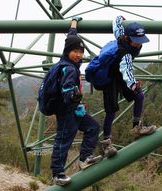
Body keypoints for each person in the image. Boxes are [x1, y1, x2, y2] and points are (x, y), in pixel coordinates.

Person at [51, 17, 102, 186]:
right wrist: (73, 97)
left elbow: (70, 38)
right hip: (67, 111)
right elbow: (66, 90)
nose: (79, 55)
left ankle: (85, 158)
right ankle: (57, 173)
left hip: (74, 109)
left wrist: (73, 24)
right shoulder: (69, 69)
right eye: (75, 52)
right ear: (68, 51)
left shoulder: (67, 61)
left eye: (81, 52)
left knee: (93, 127)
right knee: (63, 140)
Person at [100, 15, 156, 158]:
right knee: (111, 111)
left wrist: (119, 18)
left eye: (140, 42)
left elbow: (117, 25)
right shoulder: (125, 54)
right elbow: (127, 71)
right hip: (110, 78)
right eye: (136, 42)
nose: (138, 45)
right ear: (127, 38)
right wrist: (133, 85)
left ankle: (136, 127)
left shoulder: (121, 36)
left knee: (140, 96)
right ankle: (106, 144)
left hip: (119, 76)